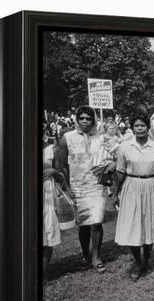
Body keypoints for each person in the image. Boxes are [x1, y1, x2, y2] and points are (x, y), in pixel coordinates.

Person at [57, 105, 107, 273]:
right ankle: (85, 254)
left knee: (96, 222)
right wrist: (68, 187)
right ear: (77, 120)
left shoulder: (101, 138)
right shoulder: (67, 138)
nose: (85, 121)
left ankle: (96, 256)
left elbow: (114, 155)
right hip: (77, 187)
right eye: (82, 118)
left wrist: (110, 165)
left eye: (88, 118)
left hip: (96, 185)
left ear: (93, 120)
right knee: (84, 225)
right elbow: (61, 165)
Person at [114, 112, 154, 281]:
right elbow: (120, 171)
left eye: (143, 125)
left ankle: (146, 260)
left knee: (150, 224)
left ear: (148, 128)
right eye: (137, 125)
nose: (140, 128)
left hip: (151, 186)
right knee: (132, 225)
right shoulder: (125, 147)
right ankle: (138, 261)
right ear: (132, 128)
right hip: (131, 186)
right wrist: (116, 192)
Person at [42, 137, 63, 282]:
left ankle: (43, 272)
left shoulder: (51, 150)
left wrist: (54, 172)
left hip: (47, 196)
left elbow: (61, 175)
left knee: (47, 232)